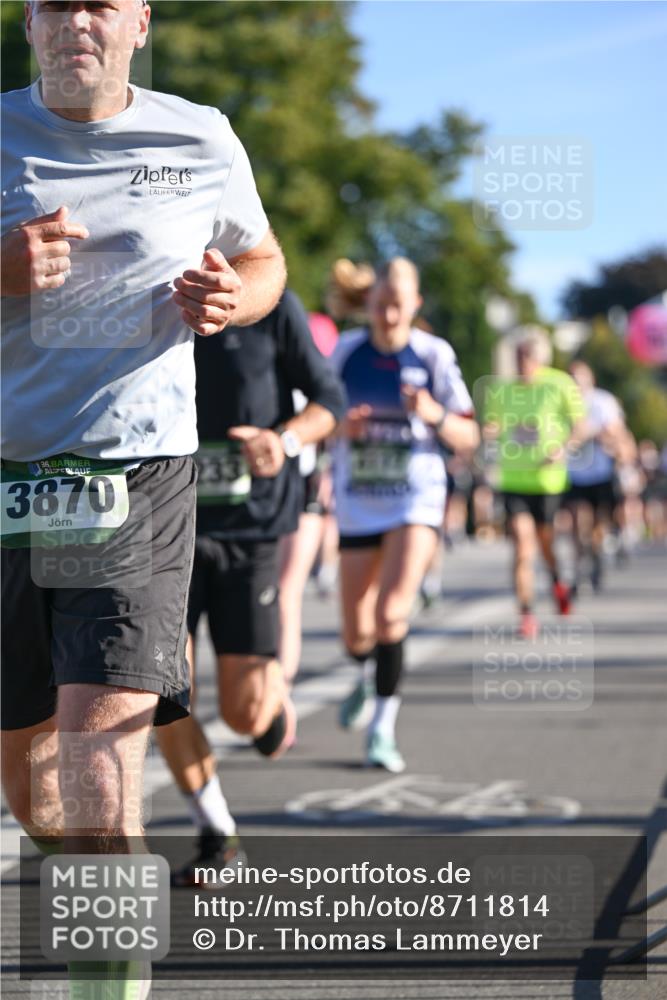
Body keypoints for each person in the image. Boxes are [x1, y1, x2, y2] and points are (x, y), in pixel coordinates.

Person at [1, 1, 284, 994]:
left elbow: (262, 260)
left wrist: (231, 298)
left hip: (137, 472)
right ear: (28, 23)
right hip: (7, 478)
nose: (76, 18)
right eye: (55, 2)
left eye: (99, 3)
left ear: (138, 24)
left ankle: (104, 977)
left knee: (97, 739)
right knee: (29, 767)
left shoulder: (198, 133)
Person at [156, 290, 344, 883]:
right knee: (160, 688)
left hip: (249, 529)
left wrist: (283, 441)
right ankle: (217, 831)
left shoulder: (267, 304)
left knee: (243, 715)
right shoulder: (141, 292)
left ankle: (270, 705)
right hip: (161, 529)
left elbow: (329, 400)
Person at [330, 258, 479, 773]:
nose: (390, 314)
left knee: (392, 612)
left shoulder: (433, 355)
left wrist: (434, 414)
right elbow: (317, 418)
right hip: (357, 501)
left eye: (399, 305)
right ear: (369, 304)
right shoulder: (346, 352)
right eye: (381, 304)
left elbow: (468, 435)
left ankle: (382, 728)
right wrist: (339, 427)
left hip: (415, 499)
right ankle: (365, 673)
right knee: (355, 632)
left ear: (415, 305)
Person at [483, 333, 585, 638]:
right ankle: (526, 613)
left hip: (547, 480)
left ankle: (557, 581)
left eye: (527, 355)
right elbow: (493, 424)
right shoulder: (501, 390)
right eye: (518, 355)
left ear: (541, 357)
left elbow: (580, 426)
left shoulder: (560, 384)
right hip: (513, 478)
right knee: (522, 546)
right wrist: (488, 432)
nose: (522, 362)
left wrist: (562, 449)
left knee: (545, 543)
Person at [566, 361, 626, 591]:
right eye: (572, 378)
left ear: (590, 379)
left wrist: (588, 432)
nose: (576, 383)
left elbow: (614, 430)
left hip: (599, 472)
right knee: (576, 521)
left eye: (580, 378)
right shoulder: (563, 402)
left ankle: (595, 554)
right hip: (573, 473)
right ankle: (578, 565)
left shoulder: (602, 401)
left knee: (597, 524)